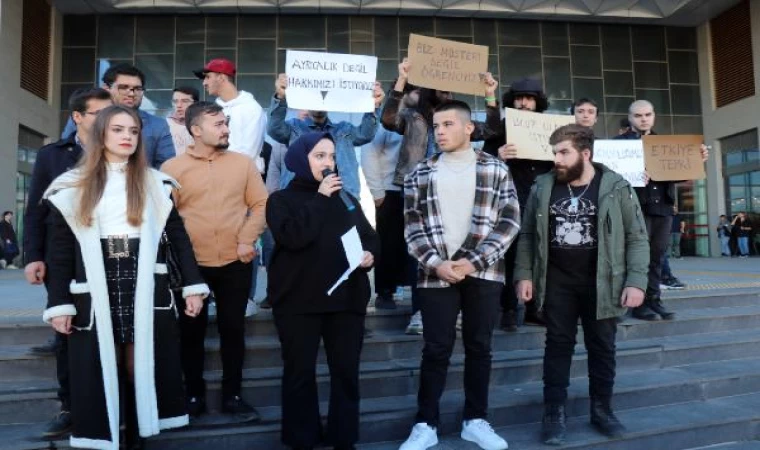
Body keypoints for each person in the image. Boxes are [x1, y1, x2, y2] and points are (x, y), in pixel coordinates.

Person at [42, 105, 209, 449]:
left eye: (133, 131)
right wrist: (59, 303)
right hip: (95, 281)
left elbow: (178, 239)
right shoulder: (72, 185)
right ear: (101, 134)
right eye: (118, 130)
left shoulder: (154, 183)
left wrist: (193, 286)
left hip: (144, 279)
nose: (127, 137)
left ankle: (135, 438)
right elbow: (58, 252)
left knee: (140, 365)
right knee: (104, 365)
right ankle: (110, 436)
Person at [514, 124, 649, 445]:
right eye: (555, 153)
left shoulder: (616, 187)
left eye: (564, 153)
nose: (557, 159)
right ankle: (554, 414)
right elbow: (528, 234)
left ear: (585, 154)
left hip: (603, 282)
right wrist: (524, 273)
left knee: (602, 348)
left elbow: (637, 237)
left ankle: (602, 410)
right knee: (557, 347)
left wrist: (636, 281)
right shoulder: (542, 186)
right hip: (557, 282)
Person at [399, 101, 520, 450]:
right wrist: (436, 263)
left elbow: (509, 222)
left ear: (469, 128)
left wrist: (474, 262)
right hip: (434, 272)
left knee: (479, 346)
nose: (439, 131)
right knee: (435, 348)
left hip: (484, 271)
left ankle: (475, 420)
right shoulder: (419, 173)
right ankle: (425, 424)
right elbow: (411, 228)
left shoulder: (495, 169)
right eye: (436, 125)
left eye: (448, 124)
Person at [266, 132, 379, 450]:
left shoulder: (346, 199)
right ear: (301, 160)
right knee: (299, 373)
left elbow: (369, 238)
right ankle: (302, 438)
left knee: (345, 372)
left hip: (345, 301)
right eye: (319, 156)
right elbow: (294, 237)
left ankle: (344, 438)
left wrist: (370, 256)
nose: (328, 163)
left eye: (331, 157)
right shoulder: (281, 201)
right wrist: (320, 198)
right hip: (298, 302)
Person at [161, 101, 268, 420]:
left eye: (226, 123)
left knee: (233, 330)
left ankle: (232, 396)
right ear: (196, 130)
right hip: (191, 268)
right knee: (190, 332)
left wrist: (247, 239)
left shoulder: (243, 163)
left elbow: (262, 203)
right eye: (218, 124)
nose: (226, 129)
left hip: (237, 261)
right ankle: (192, 395)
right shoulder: (171, 169)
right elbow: (167, 219)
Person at [23, 87, 113, 437]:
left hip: (108, 255)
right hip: (61, 257)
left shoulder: (122, 151)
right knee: (66, 330)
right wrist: (33, 256)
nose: (108, 121)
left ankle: (109, 405)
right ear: (78, 116)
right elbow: (35, 209)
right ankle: (70, 406)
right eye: (98, 114)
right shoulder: (52, 156)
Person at [614, 100, 708, 321]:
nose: (643, 118)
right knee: (636, 257)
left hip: (663, 208)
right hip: (634, 208)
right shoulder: (617, 145)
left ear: (654, 116)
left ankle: (653, 300)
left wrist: (696, 159)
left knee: (657, 256)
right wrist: (632, 175)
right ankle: (634, 303)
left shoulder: (667, 144)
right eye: (638, 115)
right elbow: (607, 176)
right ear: (630, 118)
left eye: (647, 114)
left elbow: (680, 173)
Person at [485, 77, 552, 331]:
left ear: (538, 102)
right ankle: (509, 310)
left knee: (540, 254)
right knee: (511, 256)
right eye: (519, 98)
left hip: (541, 201)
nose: (524, 103)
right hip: (510, 201)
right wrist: (498, 156)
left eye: (530, 98)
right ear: (512, 101)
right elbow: (484, 162)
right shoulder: (501, 128)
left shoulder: (551, 128)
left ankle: (535, 308)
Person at [381, 59, 501, 189]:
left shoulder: (458, 121)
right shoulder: (412, 117)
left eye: (450, 92)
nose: (449, 96)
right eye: (444, 92)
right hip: (416, 183)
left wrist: (489, 94)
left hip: (449, 183)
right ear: (430, 92)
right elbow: (388, 120)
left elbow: (490, 130)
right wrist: (402, 80)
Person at [268, 73, 380, 198]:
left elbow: (366, 134)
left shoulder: (343, 130)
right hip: (301, 202)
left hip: (341, 201)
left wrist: (373, 105)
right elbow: (274, 129)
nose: (318, 101)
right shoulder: (295, 128)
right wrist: (281, 96)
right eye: (314, 96)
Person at [361, 82, 413, 313]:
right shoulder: (386, 119)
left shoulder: (423, 118)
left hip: (417, 190)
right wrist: (377, 192)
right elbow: (369, 153)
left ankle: (409, 286)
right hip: (390, 191)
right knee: (388, 243)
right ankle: (385, 291)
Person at [61, 64, 175, 169]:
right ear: (106, 88)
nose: (131, 93)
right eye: (124, 87)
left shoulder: (158, 125)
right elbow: (64, 154)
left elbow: (167, 166)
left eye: (137, 89)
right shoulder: (85, 117)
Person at [194, 58, 268, 173]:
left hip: (243, 178)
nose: (204, 83)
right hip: (214, 174)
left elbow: (248, 153)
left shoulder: (251, 108)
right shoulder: (212, 110)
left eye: (208, 77)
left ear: (222, 78)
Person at [167, 86, 199, 156]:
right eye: (175, 101)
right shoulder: (164, 126)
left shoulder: (203, 126)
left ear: (195, 103)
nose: (179, 105)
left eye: (185, 101)